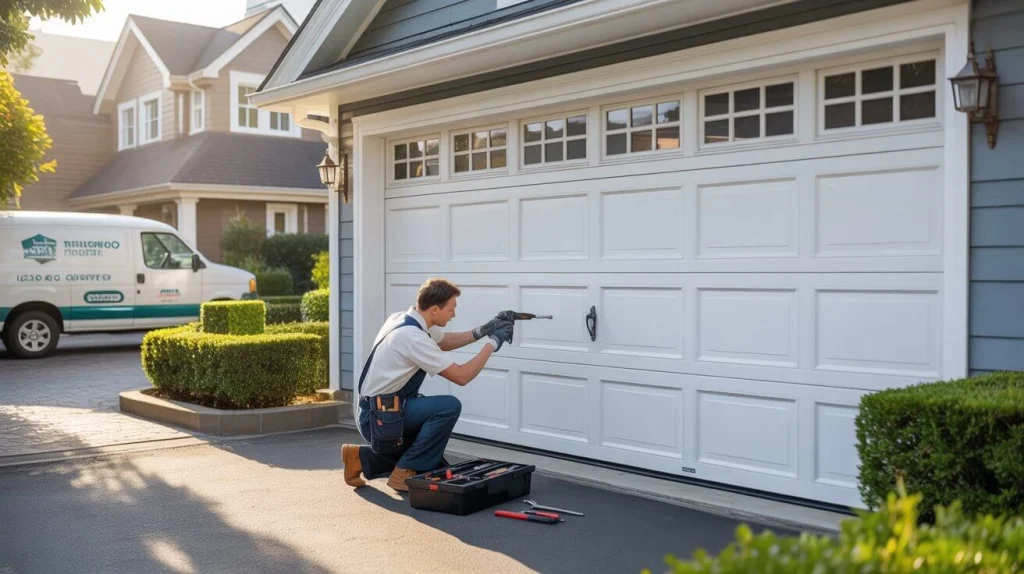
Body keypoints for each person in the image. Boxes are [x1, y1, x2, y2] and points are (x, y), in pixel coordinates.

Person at [340, 277, 514, 492]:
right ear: (434, 309)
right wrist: (493, 342)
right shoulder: (412, 337)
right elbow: (462, 376)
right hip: (378, 419)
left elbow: (443, 341)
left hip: (379, 411)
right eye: (451, 309)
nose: (454, 315)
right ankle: (403, 472)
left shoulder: (404, 319)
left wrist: (482, 331)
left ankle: (359, 457)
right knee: (448, 407)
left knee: (430, 458)